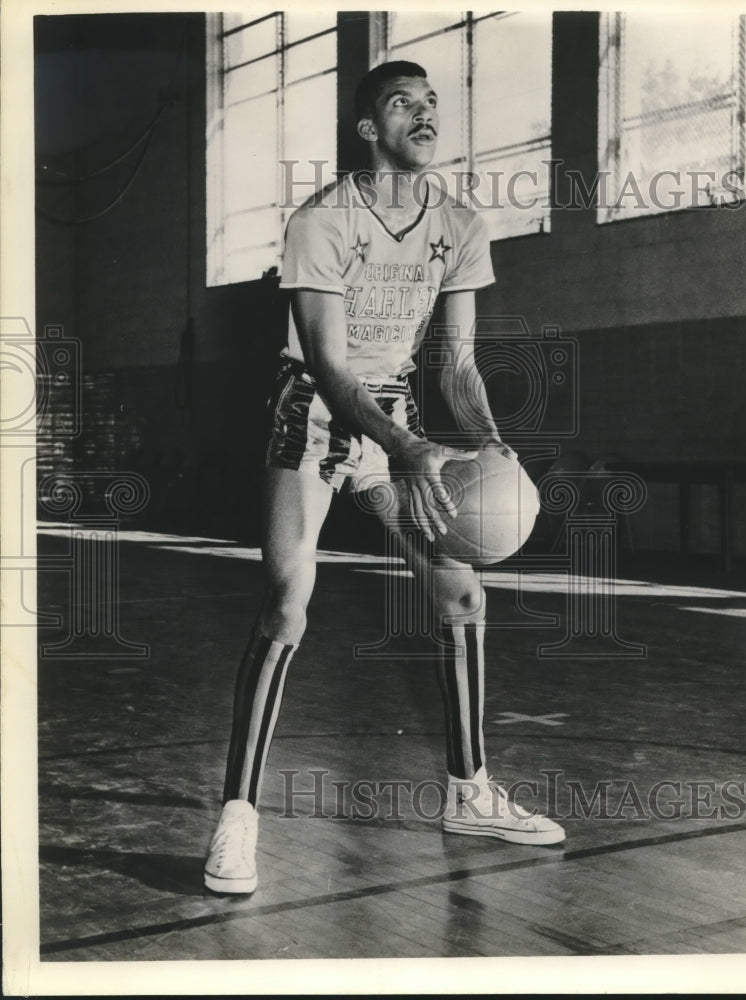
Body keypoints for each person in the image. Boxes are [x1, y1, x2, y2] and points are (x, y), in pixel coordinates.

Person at [204, 60, 564, 895]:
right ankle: (237, 819)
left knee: (461, 594)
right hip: (315, 417)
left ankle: (469, 792)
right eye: (403, 104)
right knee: (289, 603)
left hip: (397, 420)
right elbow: (329, 370)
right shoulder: (321, 221)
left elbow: (458, 365)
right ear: (370, 129)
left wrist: (489, 440)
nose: (424, 114)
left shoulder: (461, 224)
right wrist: (405, 449)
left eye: (432, 103)